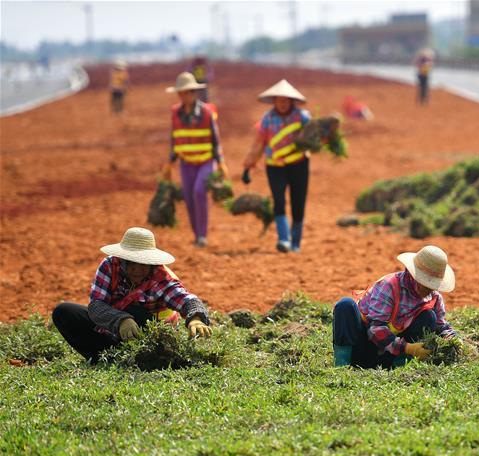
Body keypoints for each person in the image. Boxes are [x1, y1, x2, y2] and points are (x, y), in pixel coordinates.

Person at [52, 227, 212, 363]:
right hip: (113, 330)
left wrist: (195, 317)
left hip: (152, 338)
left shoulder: (161, 277)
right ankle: (107, 358)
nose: (137, 269)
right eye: (132, 263)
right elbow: (96, 306)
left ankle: (144, 359)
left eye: (143, 264)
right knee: (64, 311)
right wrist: (121, 320)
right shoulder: (109, 266)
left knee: (135, 312)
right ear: (122, 260)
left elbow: (185, 299)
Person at [332, 245, 458, 368]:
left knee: (429, 316)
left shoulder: (434, 298)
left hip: (393, 357)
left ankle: (400, 366)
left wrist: (452, 339)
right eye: (425, 282)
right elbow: (375, 329)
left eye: (432, 284)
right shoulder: (388, 286)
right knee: (345, 305)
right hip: (363, 349)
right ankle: (343, 365)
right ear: (411, 273)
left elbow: (441, 326)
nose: (429, 288)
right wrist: (407, 348)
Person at [242, 79, 312, 253]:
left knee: (298, 202)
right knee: (278, 200)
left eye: (285, 100)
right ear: (274, 101)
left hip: (299, 165)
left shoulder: (302, 117)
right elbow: (258, 143)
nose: (282, 104)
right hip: (275, 167)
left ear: (291, 101)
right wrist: (248, 165)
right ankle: (284, 239)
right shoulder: (267, 119)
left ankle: (295, 243)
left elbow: (313, 139)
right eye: (279, 100)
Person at [163, 72, 228, 248]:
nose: (184, 96)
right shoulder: (175, 113)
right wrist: (169, 163)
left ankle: (202, 235)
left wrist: (221, 163)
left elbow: (215, 140)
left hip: (206, 161)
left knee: (199, 192)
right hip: (186, 163)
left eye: (188, 92)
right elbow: (174, 138)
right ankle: (196, 234)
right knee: (189, 198)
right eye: (181, 92)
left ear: (194, 93)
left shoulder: (207, 113)